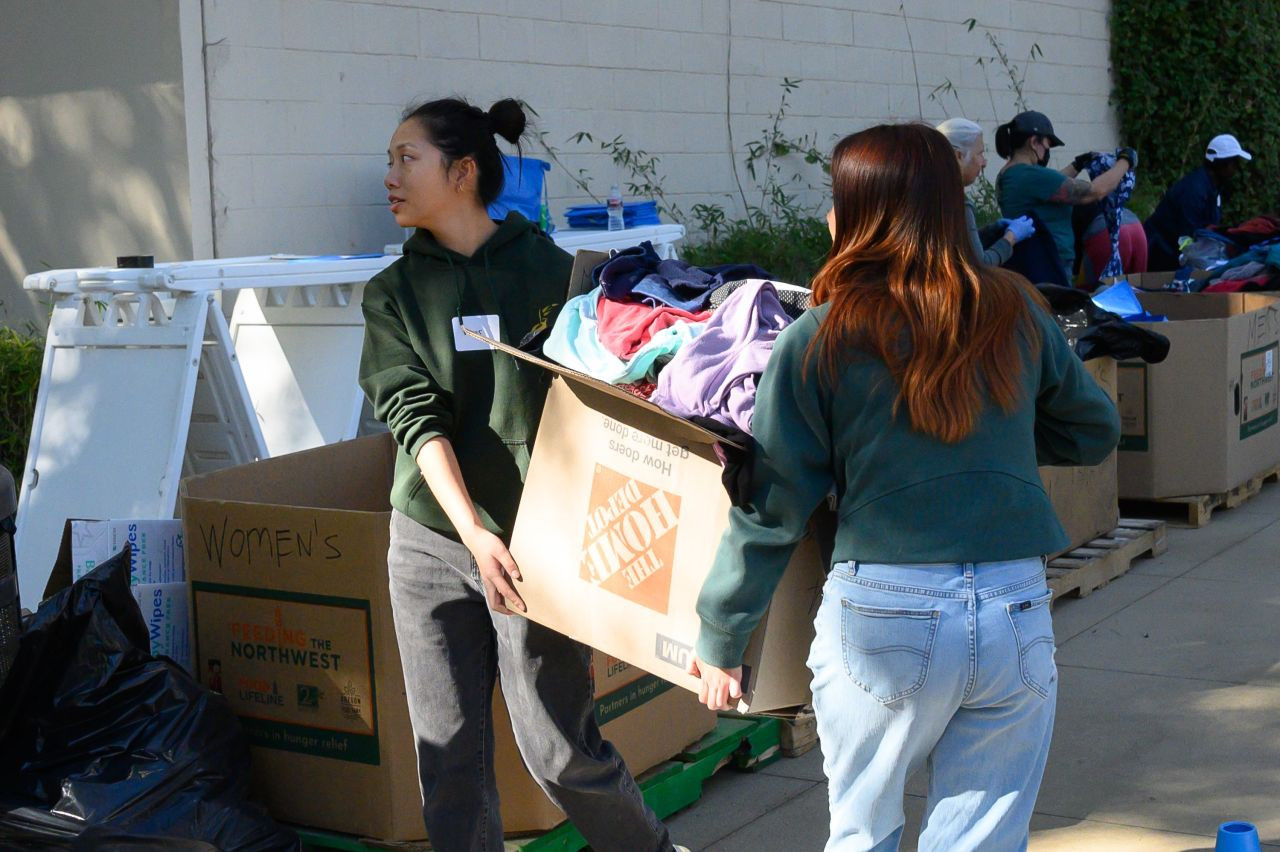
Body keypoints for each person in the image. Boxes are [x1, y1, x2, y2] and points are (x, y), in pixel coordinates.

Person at [689, 123, 1119, 850]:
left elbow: (774, 508)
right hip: (1015, 605)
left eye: (837, 199)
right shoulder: (1014, 306)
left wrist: (720, 632)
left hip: (887, 612)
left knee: (864, 834)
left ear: (861, 214)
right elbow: (1094, 429)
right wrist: (996, 439)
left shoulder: (820, 335)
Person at [359, 97, 680, 852]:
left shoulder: (555, 274)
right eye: (391, 160)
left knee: (561, 753)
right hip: (435, 540)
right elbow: (414, 416)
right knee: (450, 764)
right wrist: (472, 534)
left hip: (539, 543)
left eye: (407, 158)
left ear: (463, 171)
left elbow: (607, 401)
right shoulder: (393, 295)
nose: (389, 177)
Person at [994, 110, 1135, 277]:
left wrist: (1077, 164)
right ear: (1033, 142)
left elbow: (1051, 185)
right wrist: (1125, 161)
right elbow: (1096, 191)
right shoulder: (1028, 174)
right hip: (1049, 264)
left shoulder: (1008, 174)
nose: (1047, 151)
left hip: (1031, 260)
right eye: (1047, 145)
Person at [1144, 134, 1252, 271]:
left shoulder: (1213, 187)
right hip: (1160, 254)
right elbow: (1186, 237)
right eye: (1234, 163)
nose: (1236, 169)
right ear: (1221, 164)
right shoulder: (1194, 190)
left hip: (1172, 253)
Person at [935, 117, 1036, 266]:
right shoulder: (957, 203)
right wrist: (1011, 237)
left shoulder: (931, 192)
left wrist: (990, 231)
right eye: (980, 153)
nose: (984, 162)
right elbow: (981, 264)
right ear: (959, 156)